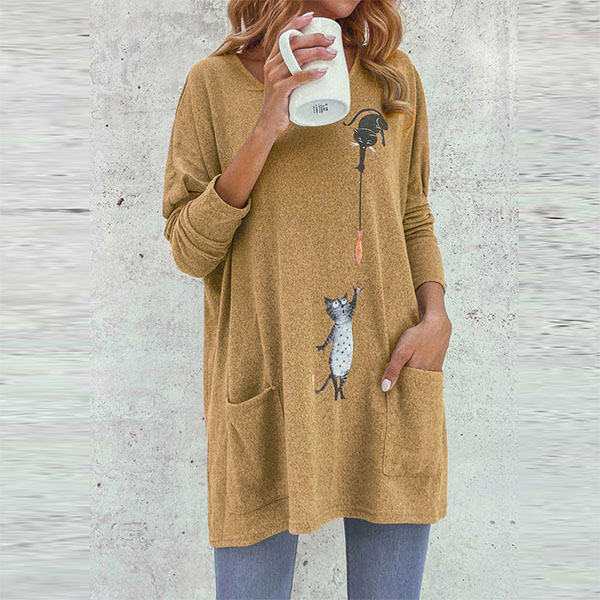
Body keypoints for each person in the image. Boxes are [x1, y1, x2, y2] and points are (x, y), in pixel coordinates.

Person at [162, 1, 452, 598]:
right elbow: (190, 251)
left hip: (389, 383)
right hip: (267, 392)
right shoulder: (212, 84)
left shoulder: (393, 76)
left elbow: (412, 214)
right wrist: (266, 123)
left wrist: (436, 317)